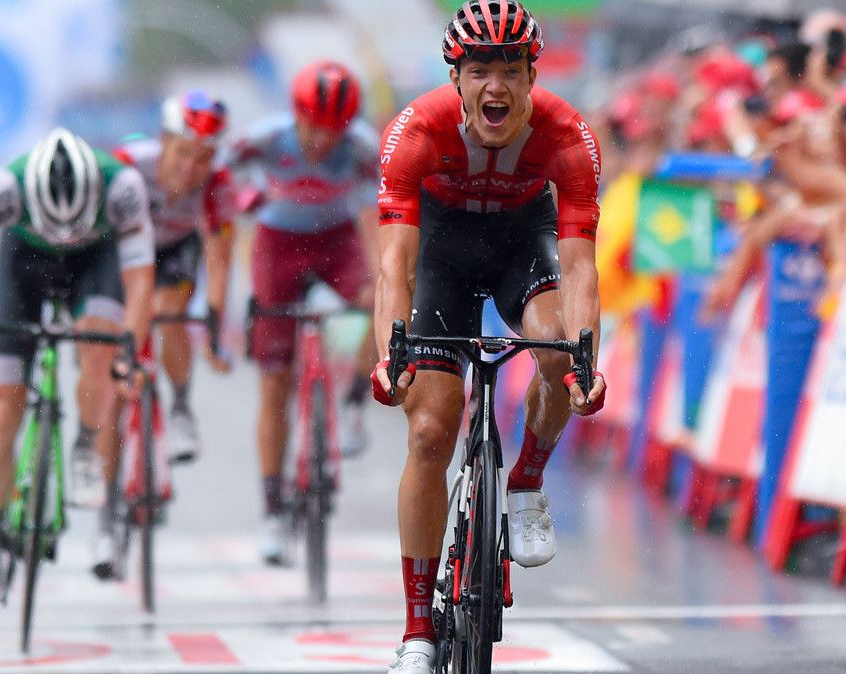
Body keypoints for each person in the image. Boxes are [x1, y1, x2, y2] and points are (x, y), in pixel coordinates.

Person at [370, 2, 607, 671]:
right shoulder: (416, 129)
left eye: (510, 69)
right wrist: (389, 354)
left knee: (560, 351)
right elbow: (395, 262)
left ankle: (526, 479)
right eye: (480, 70)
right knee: (428, 430)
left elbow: (582, 265)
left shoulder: (567, 135)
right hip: (440, 253)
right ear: (457, 75)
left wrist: (587, 357)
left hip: (519, 245)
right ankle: (418, 632)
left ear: (533, 75)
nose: (495, 86)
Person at [0, 127, 155, 600]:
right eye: (57, 223)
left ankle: (87, 446)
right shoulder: (3, 188)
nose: (66, 233)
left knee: (100, 351)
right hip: (23, 263)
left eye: (75, 222)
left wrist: (126, 354)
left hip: (94, 263)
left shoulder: (124, 187)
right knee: (3, 403)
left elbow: (139, 283)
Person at [228, 60, 380, 566]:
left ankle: (357, 401)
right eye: (313, 126)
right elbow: (222, 168)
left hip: (338, 242)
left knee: (383, 298)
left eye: (333, 130)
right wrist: (247, 197)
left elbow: (382, 211)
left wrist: (381, 271)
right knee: (274, 381)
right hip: (278, 244)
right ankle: (272, 509)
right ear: (296, 116)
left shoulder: (361, 147)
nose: (321, 140)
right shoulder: (268, 138)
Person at [114, 90, 235, 464]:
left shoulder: (218, 184)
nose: (190, 168)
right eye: (183, 152)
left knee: (170, 310)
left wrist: (214, 333)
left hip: (174, 251)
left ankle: (180, 406)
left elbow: (218, 265)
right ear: (163, 142)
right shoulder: (127, 165)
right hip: (124, 247)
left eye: (204, 158)